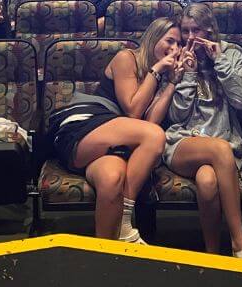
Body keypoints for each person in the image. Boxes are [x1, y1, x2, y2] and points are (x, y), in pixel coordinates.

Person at [45, 17, 177, 241]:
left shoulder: (163, 76)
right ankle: (126, 221)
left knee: (112, 177)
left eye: (180, 45)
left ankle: (105, 256)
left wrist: (172, 82)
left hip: (111, 145)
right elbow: (134, 112)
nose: (175, 49)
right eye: (170, 41)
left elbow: (150, 122)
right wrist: (156, 70)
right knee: (155, 135)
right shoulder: (127, 58)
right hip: (84, 126)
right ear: (154, 37)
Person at [159, 3, 242, 258]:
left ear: (211, 30)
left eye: (197, 31)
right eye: (186, 31)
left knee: (207, 180)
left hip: (222, 141)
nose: (191, 38)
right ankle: (239, 241)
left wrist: (220, 62)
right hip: (183, 142)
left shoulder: (231, 54)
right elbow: (176, 116)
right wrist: (188, 75)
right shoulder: (177, 57)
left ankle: (212, 252)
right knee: (219, 149)